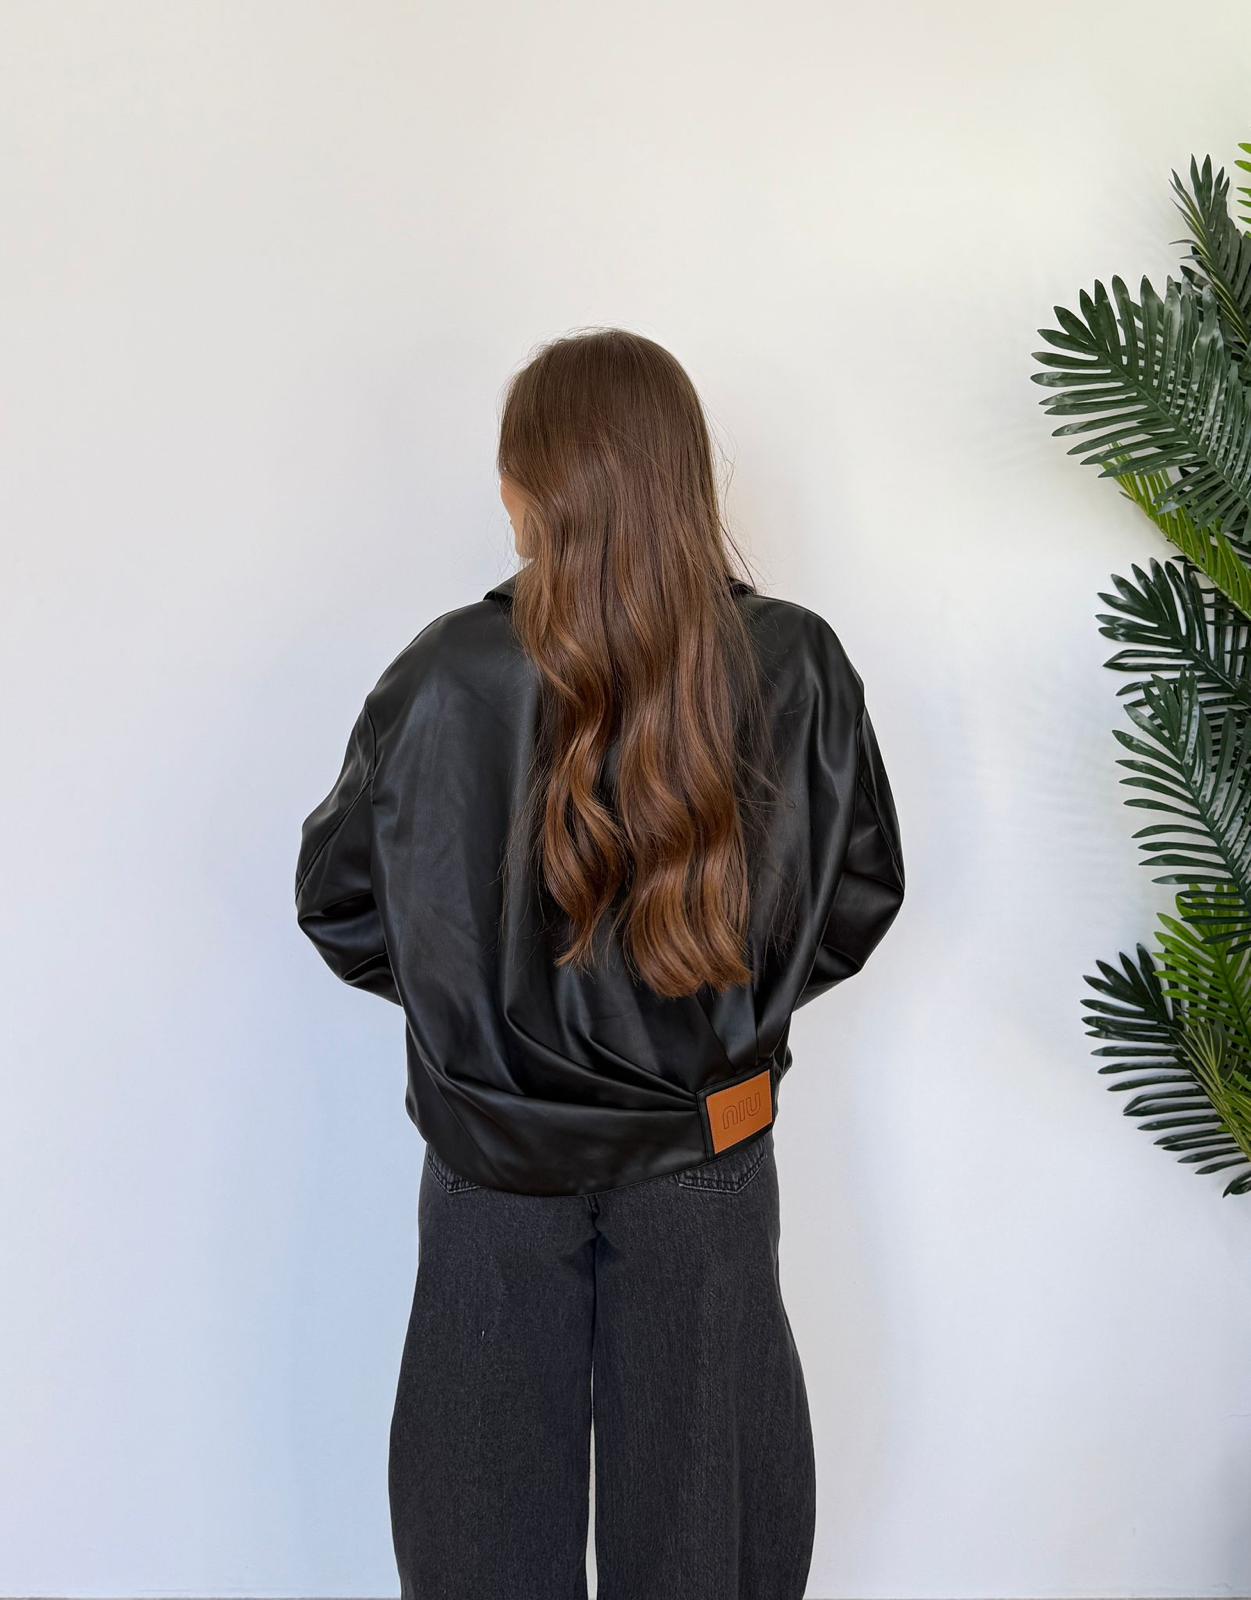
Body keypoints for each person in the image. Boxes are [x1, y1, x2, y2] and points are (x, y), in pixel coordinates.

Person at [294, 327, 906, 1600]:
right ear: (687, 476)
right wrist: (726, 1006)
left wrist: (485, 1017)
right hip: (707, 1157)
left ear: (525, 489)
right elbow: (856, 899)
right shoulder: (795, 662)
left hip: (491, 1169)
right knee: (706, 1551)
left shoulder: (441, 674)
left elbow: (343, 906)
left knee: (478, 1554)